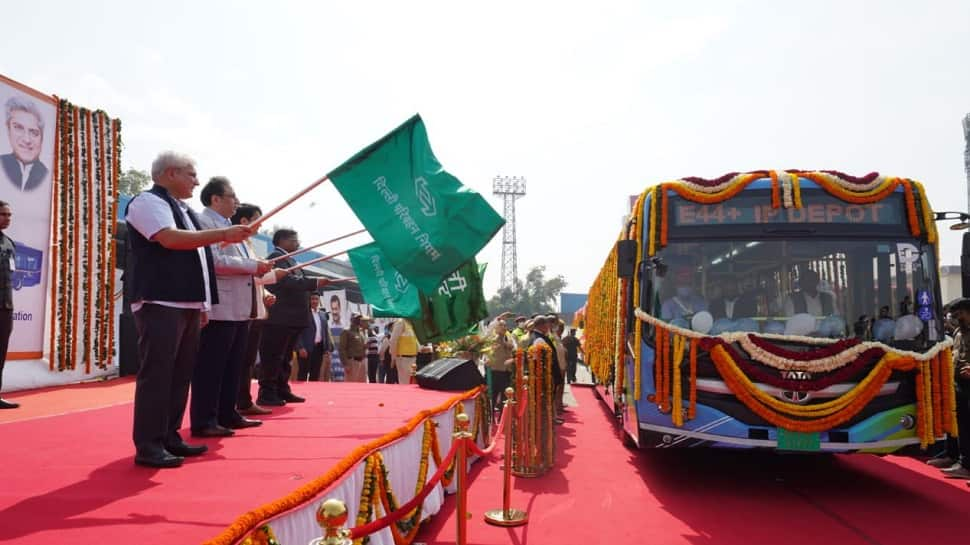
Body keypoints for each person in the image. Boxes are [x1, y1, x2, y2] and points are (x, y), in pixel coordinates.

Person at [125, 151, 253, 468]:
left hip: (187, 303)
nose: (196, 181)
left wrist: (203, 303)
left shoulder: (184, 210)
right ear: (170, 173)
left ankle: (169, 435)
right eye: (191, 174)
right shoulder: (147, 202)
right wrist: (223, 234)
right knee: (158, 374)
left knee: (181, 375)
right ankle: (149, 444)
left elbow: (200, 258)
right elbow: (169, 239)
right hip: (160, 300)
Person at [189, 178, 274, 438]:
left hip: (239, 306)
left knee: (233, 364)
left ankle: (228, 413)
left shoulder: (231, 227)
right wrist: (252, 266)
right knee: (212, 366)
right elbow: (214, 261)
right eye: (231, 196)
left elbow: (242, 260)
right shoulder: (204, 223)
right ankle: (205, 419)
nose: (236, 202)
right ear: (215, 199)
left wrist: (258, 265)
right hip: (220, 306)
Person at [257, 229, 333, 406]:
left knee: (284, 358)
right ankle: (267, 392)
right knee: (274, 357)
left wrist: (315, 282)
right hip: (279, 318)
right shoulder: (276, 258)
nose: (297, 243)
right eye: (293, 240)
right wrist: (314, 282)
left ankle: (282, 389)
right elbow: (284, 282)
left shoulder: (291, 261)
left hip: (292, 319)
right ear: (282, 241)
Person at [233, 203, 278, 416]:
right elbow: (246, 272)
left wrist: (266, 293)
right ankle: (232, 403)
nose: (260, 226)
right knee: (238, 361)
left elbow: (256, 279)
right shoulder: (230, 242)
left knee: (248, 360)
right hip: (239, 310)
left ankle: (243, 400)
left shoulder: (248, 244)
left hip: (255, 311)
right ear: (244, 221)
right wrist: (268, 272)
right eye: (258, 221)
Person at [934, 298, 970, 481]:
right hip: (958, 384)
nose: (955, 319)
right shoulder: (958, 332)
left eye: (958, 315)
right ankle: (954, 456)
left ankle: (966, 465)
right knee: (959, 423)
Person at [1, 97, 48, 192]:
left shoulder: (46, 175)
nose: (27, 140)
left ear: (42, 138)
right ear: (8, 129)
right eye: (18, 128)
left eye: (34, 132)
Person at [0, 201, 18, 409]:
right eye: (3, 214)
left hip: (5, 307)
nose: (7, 218)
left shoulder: (9, 243)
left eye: (9, 215)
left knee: (1, 353)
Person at [296, 293, 333, 381]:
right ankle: (300, 393)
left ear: (319, 301)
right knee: (303, 373)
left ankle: (312, 394)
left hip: (319, 349)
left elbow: (325, 332)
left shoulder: (323, 315)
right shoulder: (302, 313)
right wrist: (300, 347)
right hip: (305, 349)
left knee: (315, 374)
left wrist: (327, 348)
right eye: (312, 299)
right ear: (308, 300)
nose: (314, 301)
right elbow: (297, 332)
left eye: (316, 299)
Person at [486, 317, 516, 411]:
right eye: (501, 325)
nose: (503, 327)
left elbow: (513, 349)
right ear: (496, 328)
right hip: (496, 371)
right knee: (493, 396)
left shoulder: (509, 338)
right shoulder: (493, 339)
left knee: (505, 396)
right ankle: (491, 418)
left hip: (507, 371)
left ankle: (503, 418)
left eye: (505, 325)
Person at [339, 314, 368, 382]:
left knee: (361, 387)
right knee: (351, 386)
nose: (360, 320)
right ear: (352, 320)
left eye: (361, 319)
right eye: (358, 318)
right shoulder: (346, 331)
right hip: (352, 362)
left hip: (361, 362)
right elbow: (342, 349)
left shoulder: (361, 331)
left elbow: (358, 345)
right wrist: (345, 364)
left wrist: (364, 346)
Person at [390, 319, 419, 384]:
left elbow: (414, 340)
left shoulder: (410, 324)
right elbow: (393, 340)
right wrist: (393, 357)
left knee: (411, 382)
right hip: (403, 358)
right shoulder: (400, 322)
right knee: (405, 383)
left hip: (412, 358)